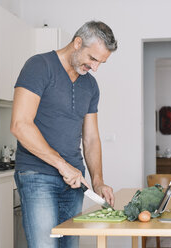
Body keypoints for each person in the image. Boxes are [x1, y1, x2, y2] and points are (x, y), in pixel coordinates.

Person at [10, 21, 117, 248]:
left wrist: (98, 181)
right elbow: (20, 125)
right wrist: (62, 165)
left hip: (74, 182)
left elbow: (90, 139)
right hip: (37, 175)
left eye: (101, 62)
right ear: (78, 43)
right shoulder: (39, 66)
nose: (95, 67)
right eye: (93, 58)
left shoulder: (91, 86)